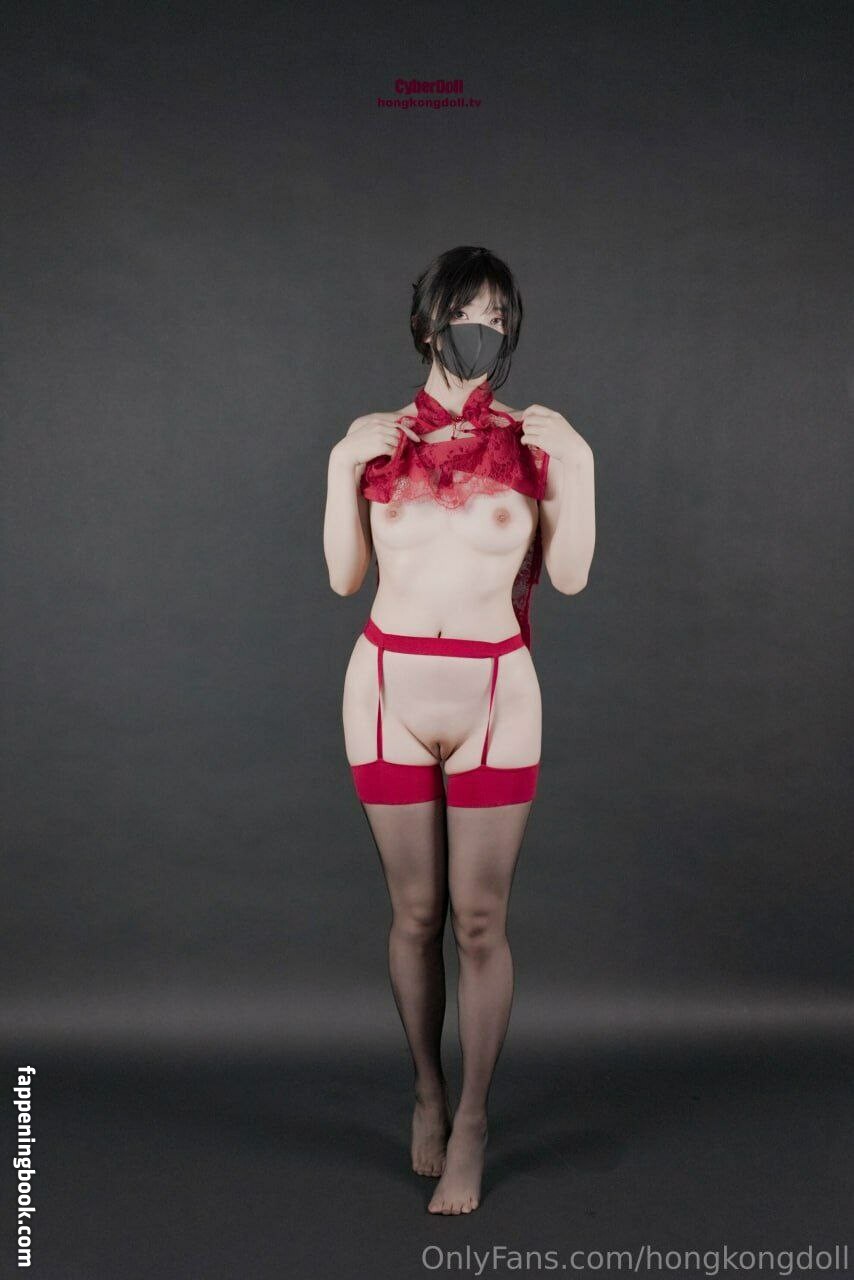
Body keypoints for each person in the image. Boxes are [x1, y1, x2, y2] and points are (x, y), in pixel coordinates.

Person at [323, 245, 596, 1214]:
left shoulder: (534, 443)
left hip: (495, 692)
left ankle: (473, 1120)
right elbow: (342, 578)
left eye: (497, 315)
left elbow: (569, 578)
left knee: (480, 919)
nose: (481, 327)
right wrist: (338, 464)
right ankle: (427, 1094)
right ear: (426, 322)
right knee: (415, 915)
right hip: (386, 686)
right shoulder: (375, 440)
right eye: (466, 311)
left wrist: (580, 465)